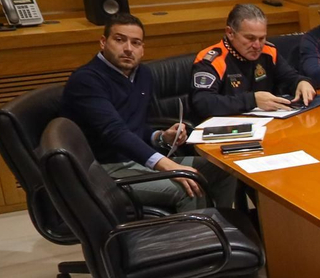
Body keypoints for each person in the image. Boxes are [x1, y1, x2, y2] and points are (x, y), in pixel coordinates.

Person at [61, 12, 237, 215]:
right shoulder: (86, 81)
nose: (128, 48)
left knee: (224, 169)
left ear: (143, 49)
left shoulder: (142, 75)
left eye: (136, 43)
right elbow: (115, 132)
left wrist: (161, 136)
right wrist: (168, 165)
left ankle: (224, 230)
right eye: (119, 40)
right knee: (189, 188)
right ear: (103, 42)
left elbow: (136, 126)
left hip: (137, 160)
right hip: (103, 169)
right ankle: (196, 244)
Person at [191, 3, 315, 120]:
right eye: (250, 38)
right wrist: (252, 100)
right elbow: (202, 102)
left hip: (266, 126)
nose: (257, 45)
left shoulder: (268, 51)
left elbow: (290, 77)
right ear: (230, 33)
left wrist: (301, 82)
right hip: (226, 129)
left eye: (262, 38)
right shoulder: (212, 60)